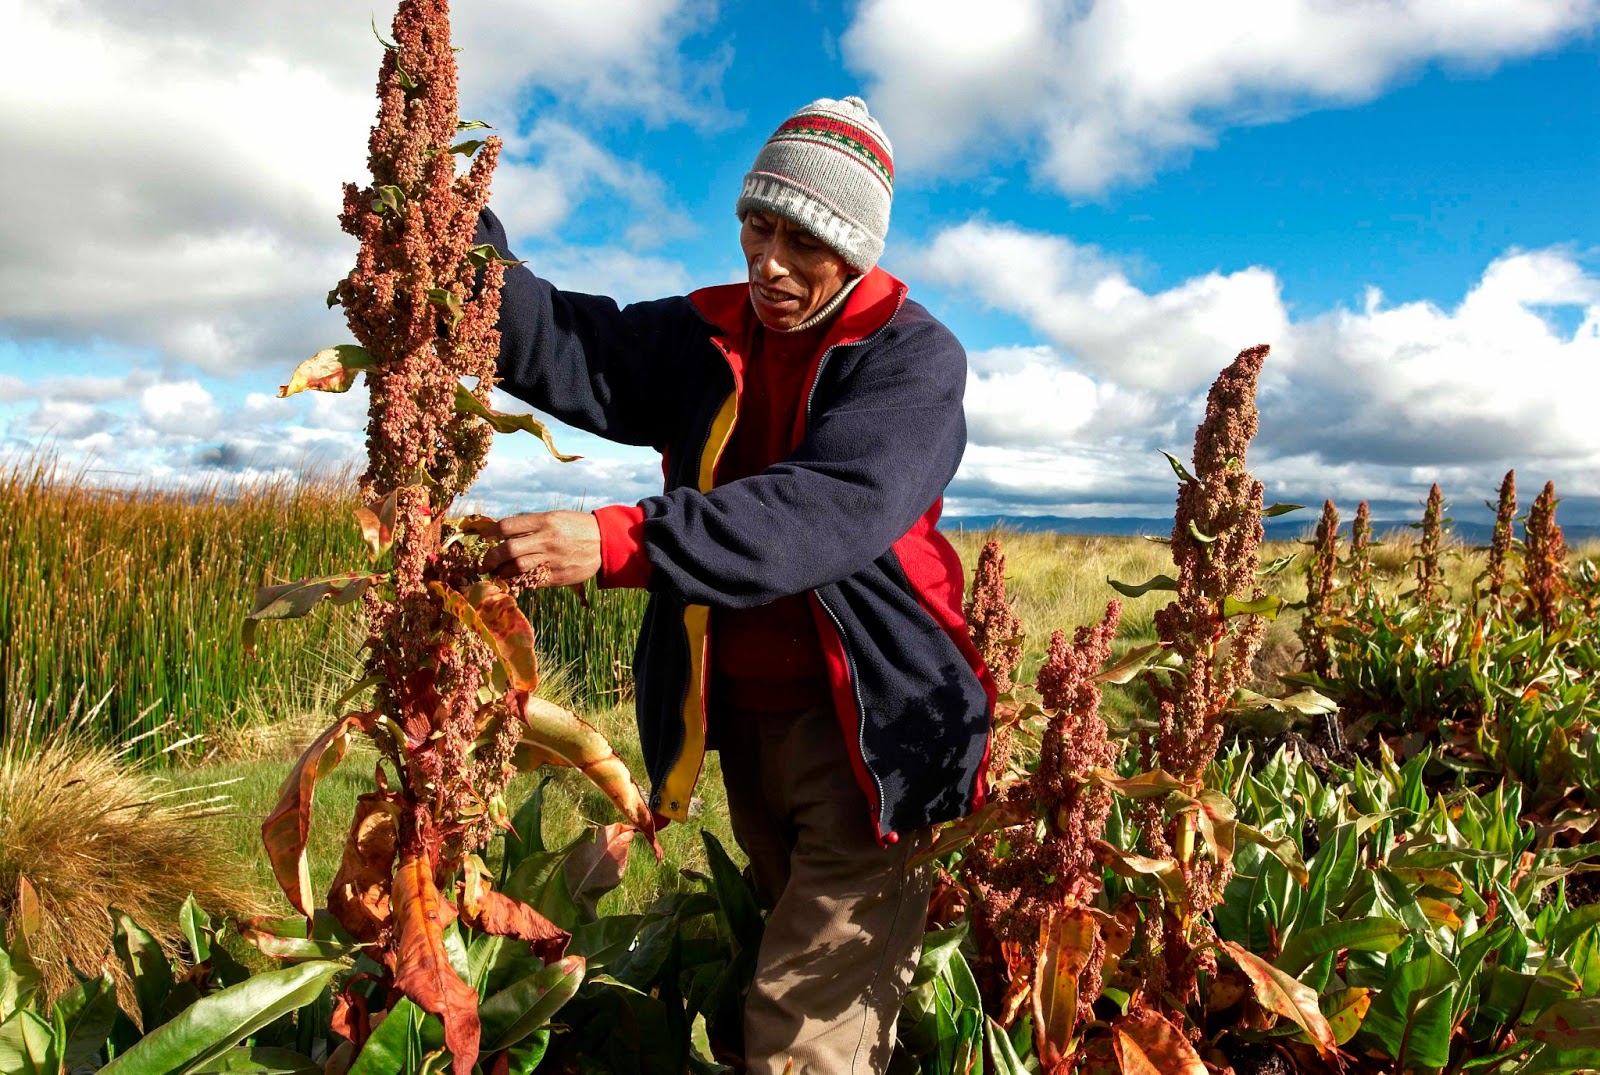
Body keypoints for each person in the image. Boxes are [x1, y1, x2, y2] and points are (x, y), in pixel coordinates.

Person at [478, 95, 996, 1075]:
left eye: (802, 240)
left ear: (854, 248)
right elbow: (564, 345)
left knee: (801, 1033)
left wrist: (619, 539)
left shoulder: (911, 358)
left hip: (876, 732)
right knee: (798, 971)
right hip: (751, 723)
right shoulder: (707, 332)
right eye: (756, 226)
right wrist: (455, 237)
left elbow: (824, 509)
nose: (769, 262)